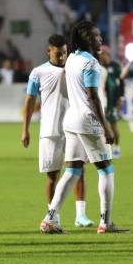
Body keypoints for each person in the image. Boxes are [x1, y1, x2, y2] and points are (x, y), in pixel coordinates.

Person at [39, 20, 127, 234]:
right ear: (88, 39)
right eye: (97, 36)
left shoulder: (71, 59)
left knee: (72, 170)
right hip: (89, 122)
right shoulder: (91, 64)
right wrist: (106, 126)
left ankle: (50, 218)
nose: (101, 39)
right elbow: (93, 96)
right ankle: (106, 222)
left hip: (71, 120)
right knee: (106, 170)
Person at [22, 34, 94, 229]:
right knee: (52, 175)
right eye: (58, 53)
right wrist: (25, 129)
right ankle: (54, 216)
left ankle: (81, 215)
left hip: (74, 127)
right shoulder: (38, 72)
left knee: (79, 170)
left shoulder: (74, 68)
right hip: (51, 130)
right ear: (49, 51)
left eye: (64, 53)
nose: (62, 57)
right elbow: (30, 101)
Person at [99, 46, 123, 158]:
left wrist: (120, 99)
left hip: (113, 101)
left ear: (106, 54)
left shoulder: (115, 66)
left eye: (102, 54)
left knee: (114, 126)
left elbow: (121, 83)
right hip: (102, 101)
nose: (100, 56)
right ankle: (105, 149)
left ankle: (117, 148)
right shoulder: (99, 68)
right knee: (103, 127)